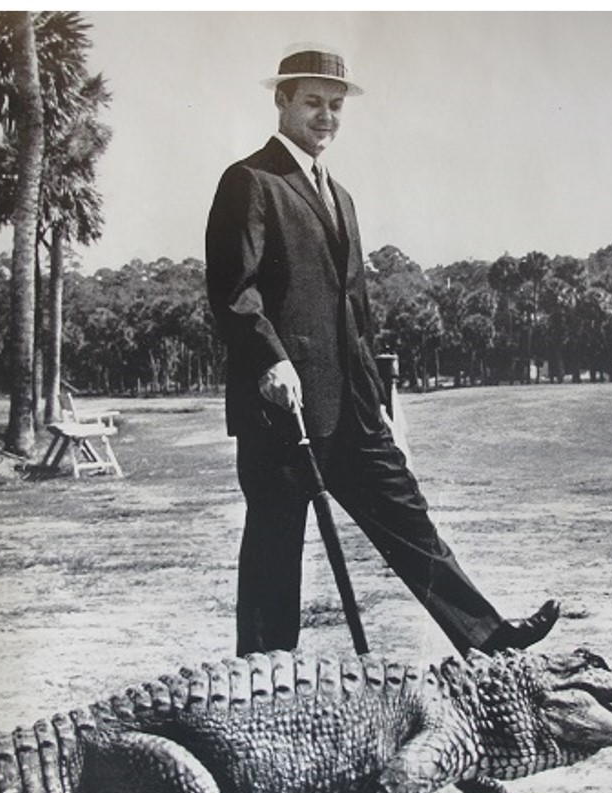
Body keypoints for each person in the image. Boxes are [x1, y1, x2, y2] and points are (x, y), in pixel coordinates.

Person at [206, 42, 558, 657]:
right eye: (313, 102)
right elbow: (234, 291)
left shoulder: (341, 197)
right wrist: (270, 360)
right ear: (282, 101)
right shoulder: (250, 181)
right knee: (275, 547)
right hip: (280, 408)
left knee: (409, 520)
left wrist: (379, 404)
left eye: (336, 105)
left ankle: (490, 641)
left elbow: (355, 317)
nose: (326, 116)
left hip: (353, 410)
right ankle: (263, 683)